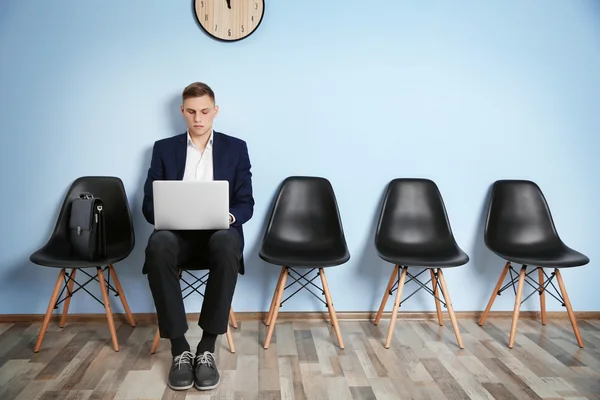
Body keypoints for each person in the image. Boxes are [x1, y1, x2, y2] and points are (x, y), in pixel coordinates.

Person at [141, 82, 254, 391]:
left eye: (205, 111)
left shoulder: (236, 148)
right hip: (177, 238)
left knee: (228, 240)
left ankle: (206, 348)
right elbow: (148, 206)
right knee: (158, 243)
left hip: (218, 239)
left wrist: (226, 217)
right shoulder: (164, 148)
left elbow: (246, 203)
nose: (198, 118)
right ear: (182, 112)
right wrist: (164, 214)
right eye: (191, 112)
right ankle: (179, 348)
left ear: (215, 111)